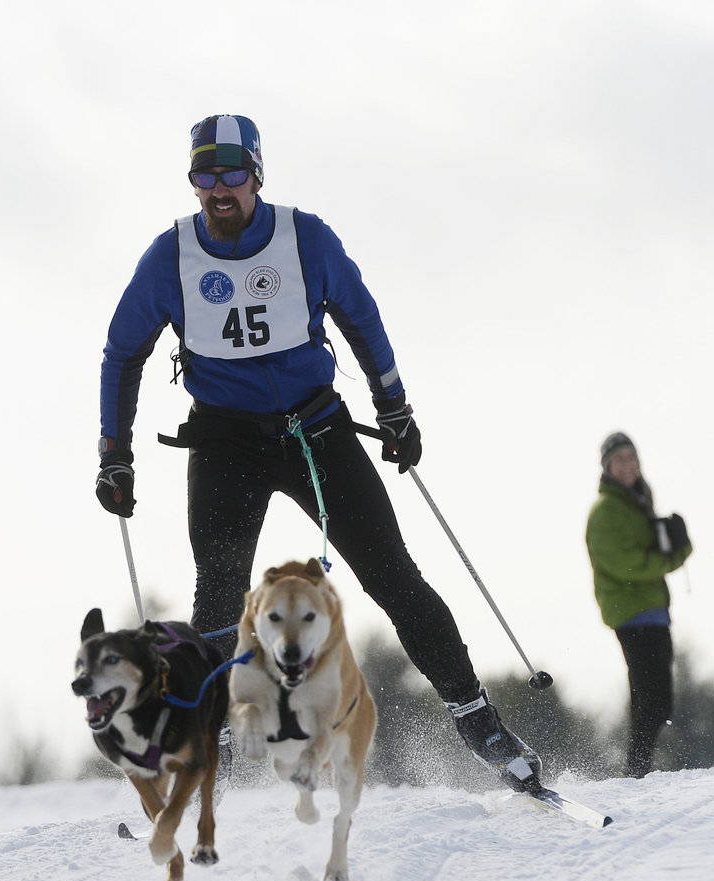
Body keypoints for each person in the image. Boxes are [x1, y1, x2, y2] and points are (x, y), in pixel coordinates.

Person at [94, 114, 542, 793]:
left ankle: (481, 723)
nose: (219, 189)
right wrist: (114, 452)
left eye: (232, 172)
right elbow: (123, 351)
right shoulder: (172, 256)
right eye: (204, 175)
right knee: (218, 590)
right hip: (224, 438)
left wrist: (394, 407)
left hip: (315, 431)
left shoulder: (306, 238)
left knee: (393, 576)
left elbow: (361, 317)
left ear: (258, 174)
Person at [586, 432, 693, 777]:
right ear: (608, 467)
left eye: (632, 457)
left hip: (653, 610)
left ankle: (639, 769)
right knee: (650, 696)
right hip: (632, 613)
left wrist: (677, 546)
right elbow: (626, 564)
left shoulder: (637, 503)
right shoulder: (606, 511)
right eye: (620, 459)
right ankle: (637, 771)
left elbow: (652, 555)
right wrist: (672, 558)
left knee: (658, 698)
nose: (628, 465)